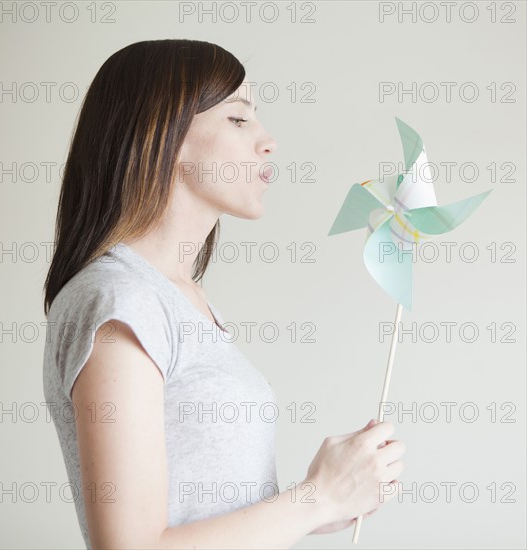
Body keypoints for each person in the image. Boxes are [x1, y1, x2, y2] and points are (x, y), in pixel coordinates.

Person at [42, 39, 406, 549]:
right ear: (160, 136)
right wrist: (317, 497)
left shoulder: (182, 296)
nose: (268, 141)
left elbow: (201, 512)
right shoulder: (119, 299)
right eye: (239, 119)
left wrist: (325, 505)